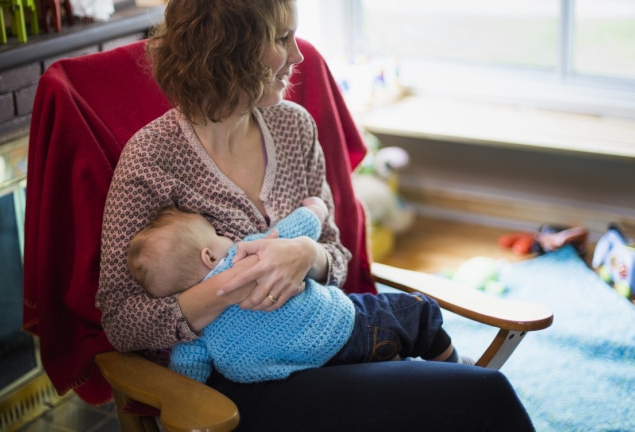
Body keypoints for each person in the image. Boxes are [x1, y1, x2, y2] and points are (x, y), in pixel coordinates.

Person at [97, 0, 536, 430]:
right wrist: (229, 288)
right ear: (229, 51)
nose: (299, 55)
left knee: (472, 394)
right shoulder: (150, 160)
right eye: (281, 38)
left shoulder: (294, 127)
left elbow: (337, 256)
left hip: (329, 339)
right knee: (483, 397)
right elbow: (120, 320)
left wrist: (306, 254)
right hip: (235, 384)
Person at [127, 198, 466, 384]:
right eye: (215, 233)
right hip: (346, 327)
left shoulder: (194, 330)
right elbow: (294, 229)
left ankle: (395, 359)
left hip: (306, 375)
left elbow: (188, 375)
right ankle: (457, 366)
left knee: (387, 358)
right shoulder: (243, 253)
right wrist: (315, 208)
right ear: (209, 255)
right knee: (417, 311)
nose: (223, 236)